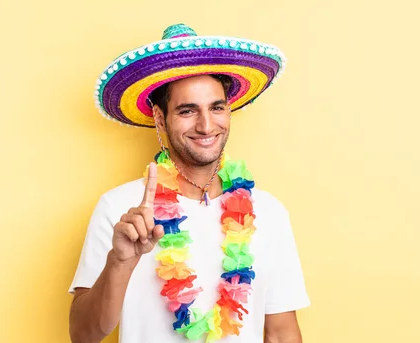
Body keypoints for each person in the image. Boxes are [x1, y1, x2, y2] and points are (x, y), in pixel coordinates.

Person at [68, 24, 310, 343]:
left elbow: (281, 334)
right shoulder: (118, 209)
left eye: (217, 107)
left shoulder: (269, 212)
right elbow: (82, 336)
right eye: (187, 110)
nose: (206, 125)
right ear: (159, 117)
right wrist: (120, 261)